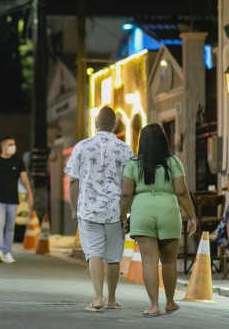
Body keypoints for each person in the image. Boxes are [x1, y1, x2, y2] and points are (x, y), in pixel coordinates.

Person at [120, 123, 197, 317]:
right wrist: (192, 216)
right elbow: (181, 191)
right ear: (163, 140)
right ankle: (170, 302)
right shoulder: (173, 162)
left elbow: (127, 194)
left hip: (142, 211)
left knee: (149, 261)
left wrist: (122, 216)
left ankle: (153, 305)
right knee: (170, 261)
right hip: (168, 211)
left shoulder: (133, 163)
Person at [65, 107, 134, 313]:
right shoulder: (125, 149)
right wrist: (126, 212)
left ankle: (98, 298)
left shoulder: (82, 146)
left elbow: (73, 182)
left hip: (88, 209)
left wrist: (73, 209)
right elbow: (130, 185)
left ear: (96, 122)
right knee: (113, 257)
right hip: (115, 210)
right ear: (115, 124)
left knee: (94, 253)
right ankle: (112, 299)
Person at [0, 137, 34, 264]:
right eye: (10, 144)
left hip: (13, 199)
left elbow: (24, 179)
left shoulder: (17, 161)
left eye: (14, 144)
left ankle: (7, 252)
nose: (13, 146)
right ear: (3, 146)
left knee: (10, 227)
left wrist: (30, 194)